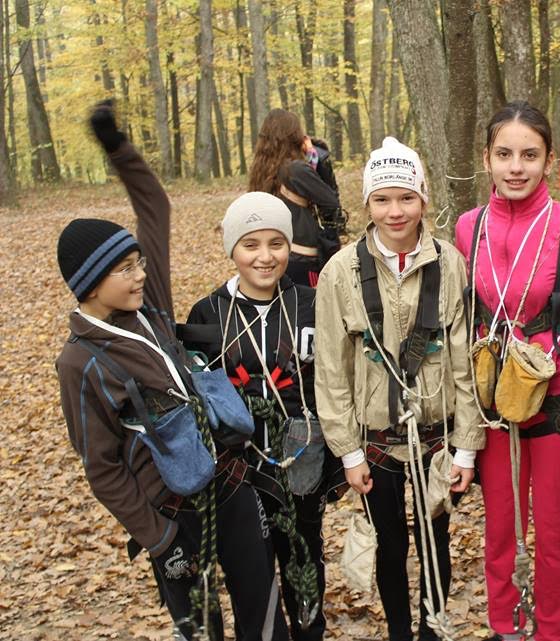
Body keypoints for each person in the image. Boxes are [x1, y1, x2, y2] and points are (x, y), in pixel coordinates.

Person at [55, 102, 287, 641]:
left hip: (229, 486)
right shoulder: (80, 363)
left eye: (138, 263)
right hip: (170, 515)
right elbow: (102, 466)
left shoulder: (150, 305)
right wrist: (159, 539)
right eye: (123, 270)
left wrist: (119, 149)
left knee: (265, 615)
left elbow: (154, 207)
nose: (139, 275)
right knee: (202, 630)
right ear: (90, 286)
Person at [315, 136, 485, 641]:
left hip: (435, 436)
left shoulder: (449, 264)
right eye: (382, 199)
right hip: (376, 440)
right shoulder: (339, 273)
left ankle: (433, 628)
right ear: (366, 203)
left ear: (423, 200)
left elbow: (463, 363)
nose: (395, 211)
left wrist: (467, 447)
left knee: (435, 539)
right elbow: (332, 370)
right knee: (390, 544)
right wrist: (347, 452)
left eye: (406, 197)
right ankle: (399, 633)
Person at [454, 101, 560, 641]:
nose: (515, 167)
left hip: (558, 407)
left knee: (551, 534)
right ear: (487, 160)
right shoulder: (467, 229)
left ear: (548, 161)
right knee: (499, 529)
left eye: (529, 155)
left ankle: (549, 631)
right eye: (504, 154)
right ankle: (503, 626)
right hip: (495, 408)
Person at [183, 192, 341, 640]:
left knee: (304, 566)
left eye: (276, 243)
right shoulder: (208, 314)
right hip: (238, 472)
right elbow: (197, 396)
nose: (265, 256)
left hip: (302, 462)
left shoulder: (311, 303)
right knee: (252, 579)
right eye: (251, 244)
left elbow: (334, 379)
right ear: (232, 248)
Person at [249, 108, 344, 286]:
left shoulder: (261, 170)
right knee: (308, 309)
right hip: (302, 258)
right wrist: (321, 161)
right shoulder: (296, 170)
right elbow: (332, 202)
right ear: (294, 135)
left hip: (273, 257)